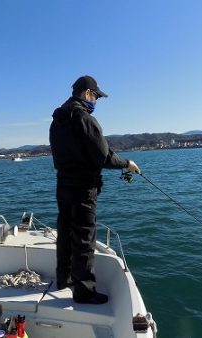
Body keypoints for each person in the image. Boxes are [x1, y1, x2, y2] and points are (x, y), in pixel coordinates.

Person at [49, 75, 140, 304]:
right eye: (96, 96)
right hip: (83, 189)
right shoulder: (84, 119)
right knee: (84, 238)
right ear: (87, 93)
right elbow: (102, 157)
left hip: (63, 185)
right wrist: (127, 163)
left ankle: (64, 279)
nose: (97, 101)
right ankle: (84, 292)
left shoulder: (57, 120)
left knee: (66, 234)